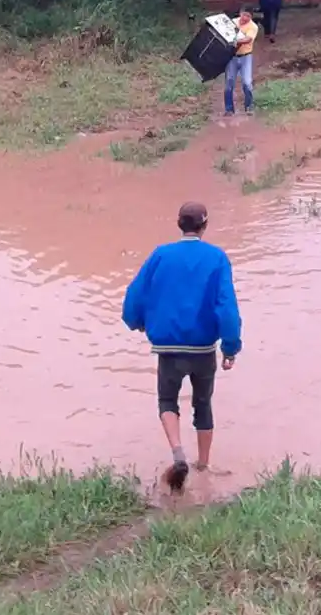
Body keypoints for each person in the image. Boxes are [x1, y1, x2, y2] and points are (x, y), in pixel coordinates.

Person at [121, 201, 243, 492]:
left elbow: (135, 293)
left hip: (169, 348)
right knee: (203, 404)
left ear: (179, 224)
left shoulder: (161, 255)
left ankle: (178, 455)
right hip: (203, 349)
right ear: (205, 226)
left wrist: (136, 321)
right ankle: (203, 465)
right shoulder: (217, 258)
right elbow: (226, 306)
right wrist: (230, 347)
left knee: (167, 401)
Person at [224, 8, 257, 116]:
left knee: (247, 82)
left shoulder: (253, 27)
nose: (245, 18)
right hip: (232, 57)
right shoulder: (233, 22)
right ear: (240, 13)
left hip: (246, 57)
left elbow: (248, 39)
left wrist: (234, 41)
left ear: (251, 17)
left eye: (248, 16)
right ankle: (229, 109)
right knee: (229, 82)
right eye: (244, 15)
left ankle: (249, 106)